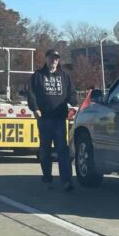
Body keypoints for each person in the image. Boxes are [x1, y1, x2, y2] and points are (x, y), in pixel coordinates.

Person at [28, 49, 76, 191]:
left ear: (58, 60)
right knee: (45, 149)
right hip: (44, 119)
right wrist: (35, 108)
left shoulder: (64, 76)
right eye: (51, 58)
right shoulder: (37, 76)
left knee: (63, 150)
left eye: (56, 58)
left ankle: (66, 180)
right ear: (46, 59)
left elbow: (71, 93)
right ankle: (47, 175)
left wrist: (73, 103)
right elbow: (31, 94)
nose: (54, 61)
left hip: (60, 119)